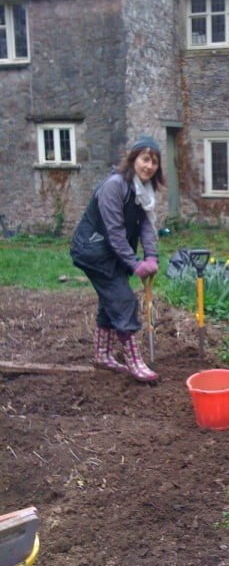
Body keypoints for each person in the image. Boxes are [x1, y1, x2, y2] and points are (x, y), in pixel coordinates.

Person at [70, 135, 164, 383]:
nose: (149, 166)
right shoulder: (114, 186)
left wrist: (151, 255)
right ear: (133, 159)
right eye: (145, 159)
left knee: (110, 300)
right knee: (123, 301)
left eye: (154, 162)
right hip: (93, 252)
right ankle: (135, 362)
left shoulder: (144, 190)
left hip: (112, 253)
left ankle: (102, 355)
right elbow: (114, 233)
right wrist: (135, 264)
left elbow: (145, 226)